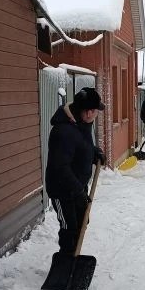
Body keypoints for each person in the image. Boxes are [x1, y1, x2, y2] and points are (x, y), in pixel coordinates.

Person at [45, 86, 106, 254]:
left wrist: (94, 152)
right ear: (87, 112)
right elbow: (60, 167)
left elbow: (81, 146)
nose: (96, 115)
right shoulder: (63, 132)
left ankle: (73, 256)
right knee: (69, 227)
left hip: (77, 187)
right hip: (63, 190)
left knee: (82, 221)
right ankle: (66, 263)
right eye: (95, 111)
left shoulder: (82, 123)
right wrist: (78, 191)